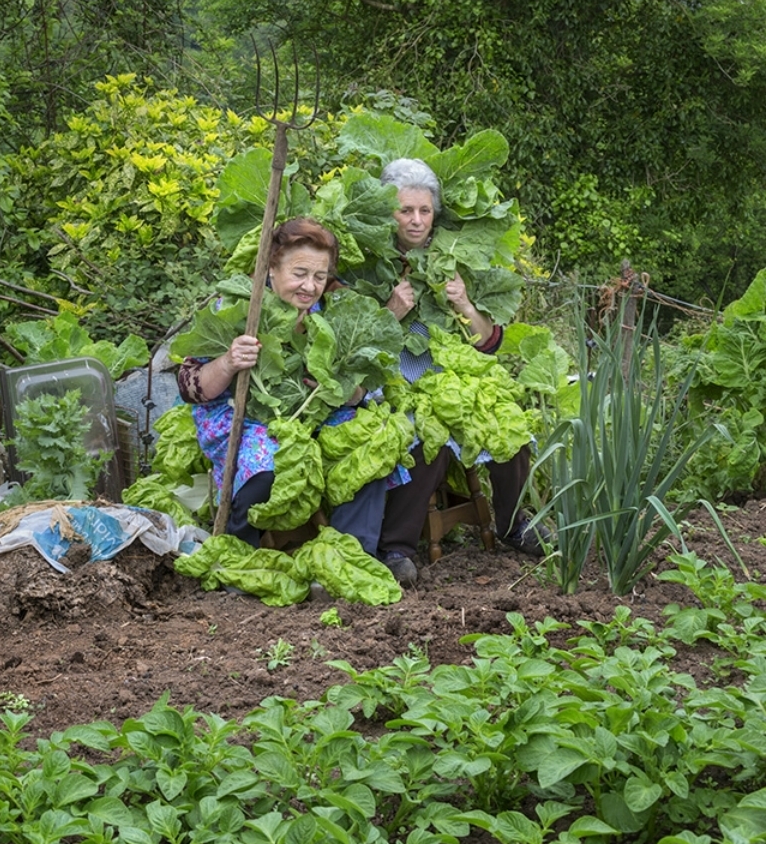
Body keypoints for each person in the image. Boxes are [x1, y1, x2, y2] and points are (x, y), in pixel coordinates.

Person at [375, 158, 544, 588]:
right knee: (426, 432)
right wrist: (391, 313)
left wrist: (465, 304)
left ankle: (511, 523)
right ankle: (396, 547)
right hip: (392, 379)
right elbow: (356, 342)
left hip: (450, 373)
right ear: (387, 212)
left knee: (508, 424)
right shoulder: (366, 261)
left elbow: (487, 342)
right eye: (405, 210)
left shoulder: (453, 257)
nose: (416, 220)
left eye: (425, 211)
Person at [177, 217, 388, 559]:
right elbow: (191, 387)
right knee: (264, 470)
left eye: (320, 277)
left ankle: (350, 557)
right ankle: (241, 556)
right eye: (299, 273)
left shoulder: (334, 311)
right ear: (271, 267)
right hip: (248, 419)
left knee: (369, 452)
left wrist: (344, 389)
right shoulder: (237, 305)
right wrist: (229, 362)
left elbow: (369, 391)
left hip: (315, 417)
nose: (310, 286)